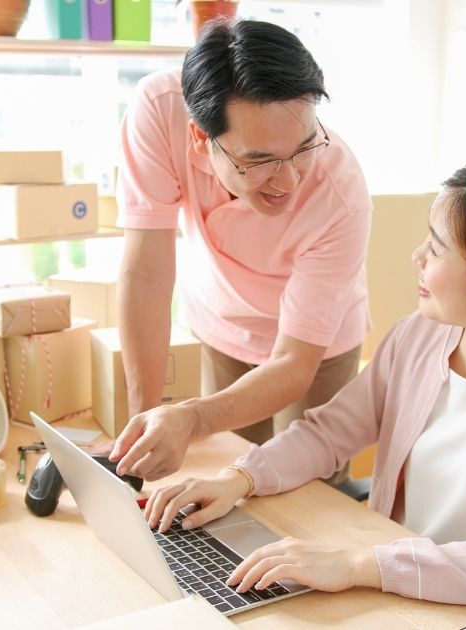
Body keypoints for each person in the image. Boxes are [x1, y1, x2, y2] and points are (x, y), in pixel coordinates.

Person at [142, 153, 466, 615]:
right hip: (391, 588)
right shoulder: (423, 334)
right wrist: (241, 478)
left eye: (437, 249)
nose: (417, 256)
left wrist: (357, 564)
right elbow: (329, 432)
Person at [105, 19, 371, 483]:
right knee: (221, 482)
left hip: (315, 347)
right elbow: (146, 272)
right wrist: (141, 426)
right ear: (200, 138)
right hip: (223, 321)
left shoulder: (340, 194)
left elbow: (293, 363)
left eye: (304, 147)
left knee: (303, 494)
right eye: (260, 160)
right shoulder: (158, 111)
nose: (289, 181)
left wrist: (193, 417)